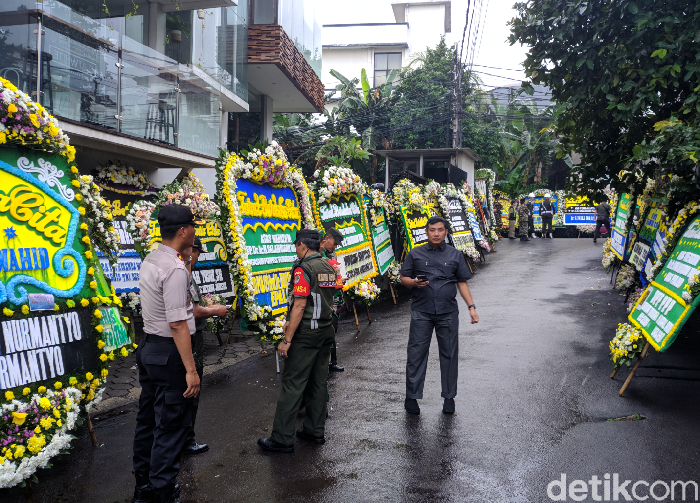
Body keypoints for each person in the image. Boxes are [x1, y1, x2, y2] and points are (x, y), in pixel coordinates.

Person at [132, 204, 198, 503]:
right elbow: (177, 324)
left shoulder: (152, 258)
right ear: (183, 231)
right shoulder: (174, 268)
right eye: (193, 228)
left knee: (147, 420)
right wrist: (191, 370)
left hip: (148, 347)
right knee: (170, 424)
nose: (195, 233)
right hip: (169, 352)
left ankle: (143, 487)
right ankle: (163, 491)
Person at [258, 229, 338, 452]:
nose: (296, 249)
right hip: (325, 330)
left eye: (296, 245)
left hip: (306, 334)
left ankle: (282, 438)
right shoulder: (328, 266)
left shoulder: (304, 268)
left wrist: (287, 338)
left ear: (302, 245)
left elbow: (300, 305)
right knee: (318, 381)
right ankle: (315, 431)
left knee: (293, 383)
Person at [398, 216, 479, 415]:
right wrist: (413, 283)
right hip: (422, 311)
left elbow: (462, 282)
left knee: (449, 354)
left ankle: (449, 397)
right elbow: (403, 278)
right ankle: (412, 397)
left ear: (446, 232)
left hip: (448, 312)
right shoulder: (415, 254)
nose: (436, 233)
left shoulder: (455, 255)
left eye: (440, 230)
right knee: (416, 354)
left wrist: (472, 307)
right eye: (432, 230)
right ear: (426, 232)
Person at [181, 237, 229, 456]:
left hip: (181, 337)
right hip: (190, 338)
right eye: (198, 252)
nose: (198, 257)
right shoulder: (184, 274)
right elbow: (195, 311)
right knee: (192, 386)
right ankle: (187, 439)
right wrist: (215, 310)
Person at [319, 228, 345, 372]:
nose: (335, 247)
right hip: (326, 299)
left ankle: (332, 362)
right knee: (326, 330)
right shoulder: (318, 255)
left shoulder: (331, 255)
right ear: (327, 238)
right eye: (334, 243)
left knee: (333, 330)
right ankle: (324, 365)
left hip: (336, 298)